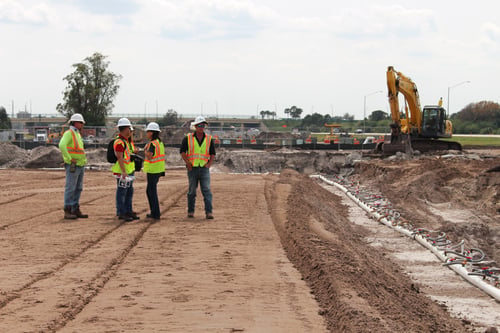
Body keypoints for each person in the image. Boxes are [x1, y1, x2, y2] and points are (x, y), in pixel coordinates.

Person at [180, 116, 216, 219]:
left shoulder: (209, 139)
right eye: (199, 125)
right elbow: (182, 151)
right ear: (195, 126)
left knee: (207, 190)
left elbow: (212, 153)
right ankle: (191, 211)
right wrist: (187, 163)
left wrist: (209, 164)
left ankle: (209, 212)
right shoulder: (188, 138)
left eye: (203, 125)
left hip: (204, 169)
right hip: (192, 169)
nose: (201, 127)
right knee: (192, 191)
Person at [58, 113, 89, 219]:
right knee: (71, 187)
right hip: (73, 164)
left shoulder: (77, 134)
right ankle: (68, 209)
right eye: (81, 123)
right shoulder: (69, 133)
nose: (82, 125)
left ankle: (75, 208)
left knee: (78, 188)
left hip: (80, 164)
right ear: (75, 123)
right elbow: (62, 145)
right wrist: (69, 159)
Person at [112, 118, 139, 222]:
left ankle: (128, 210)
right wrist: (123, 172)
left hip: (128, 171)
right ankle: (122, 212)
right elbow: (120, 157)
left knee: (129, 191)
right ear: (126, 128)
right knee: (122, 192)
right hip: (123, 172)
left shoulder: (126, 141)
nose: (131, 131)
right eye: (129, 129)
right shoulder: (119, 142)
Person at [143, 122, 165, 221]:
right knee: (151, 191)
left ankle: (155, 213)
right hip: (158, 169)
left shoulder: (152, 144)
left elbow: (149, 156)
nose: (146, 133)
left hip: (153, 170)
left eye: (148, 131)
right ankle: (154, 212)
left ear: (152, 133)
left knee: (151, 191)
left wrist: (145, 151)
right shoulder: (159, 143)